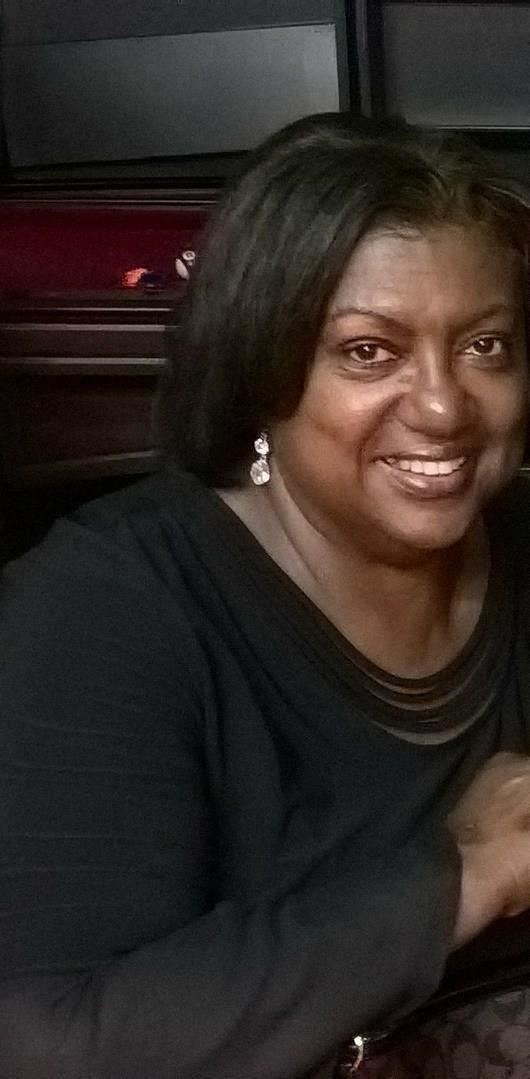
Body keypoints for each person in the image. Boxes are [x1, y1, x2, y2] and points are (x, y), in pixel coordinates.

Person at [0, 112, 529, 1079]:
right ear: (262, 368)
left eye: (485, 345)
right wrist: (465, 870)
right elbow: (50, 1038)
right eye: (368, 351)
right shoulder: (104, 607)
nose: (444, 405)